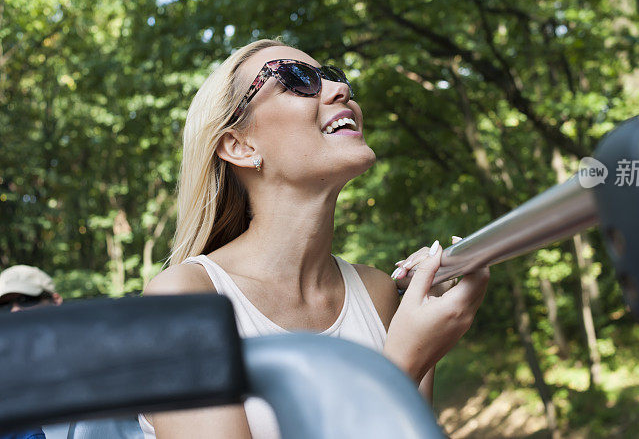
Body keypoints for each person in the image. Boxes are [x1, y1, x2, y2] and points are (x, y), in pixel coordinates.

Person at [139, 39, 490, 438]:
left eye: (333, 77)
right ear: (239, 145)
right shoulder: (183, 301)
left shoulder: (376, 291)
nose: (340, 90)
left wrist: (422, 352)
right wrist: (401, 366)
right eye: (297, 79)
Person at [0, 265, 64, 439]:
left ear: (56, 301)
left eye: (26, 300)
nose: (15, 310)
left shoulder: (99, 354)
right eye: (4, 306)